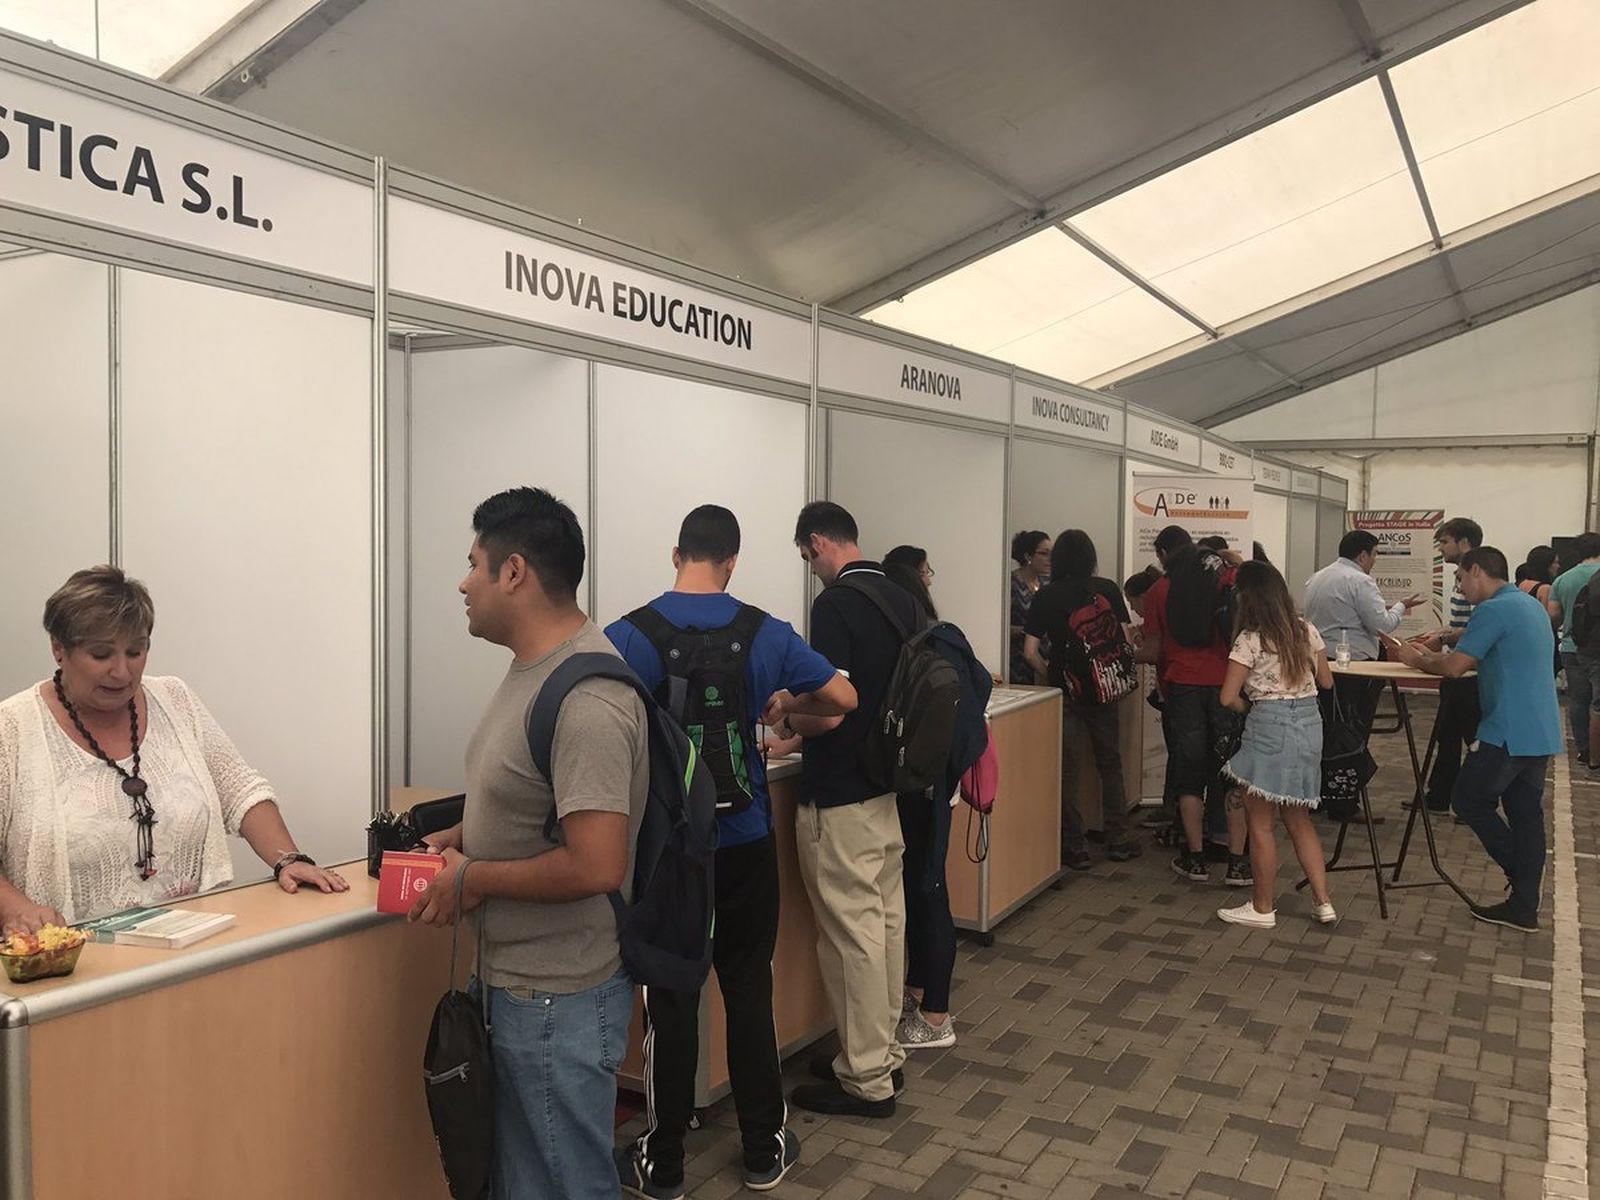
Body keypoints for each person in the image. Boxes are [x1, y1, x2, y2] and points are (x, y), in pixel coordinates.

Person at [605, 505, 855, 1197]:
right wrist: (781, 709)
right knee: (748, 988)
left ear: (675, 552)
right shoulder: (766, 632)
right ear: (733, 561)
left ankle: (664, 1162)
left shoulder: (629, 633)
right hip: (745, 839)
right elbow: (842, 696)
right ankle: (762, 1146)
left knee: (670, 997)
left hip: (671, 851)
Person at [409, 486, 649, 1200]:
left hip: (558, 1000)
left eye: (474, 563)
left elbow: (597, 861)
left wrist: (472, 877)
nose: (463, 582)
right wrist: (463, 836)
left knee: (563, 1185)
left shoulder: (589, 701)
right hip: (522, 989)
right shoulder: (532, 671)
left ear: (514, 572)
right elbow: (537, 806)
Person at [0, 565, 348, 932]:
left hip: (192, 949)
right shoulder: (12, 729)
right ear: (59, 648)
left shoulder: (174, 699)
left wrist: (288, 859)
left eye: (135, 652)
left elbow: (239, 788)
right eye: (101, 655)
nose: (121, 672)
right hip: (70, 964)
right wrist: (15, 909)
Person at [787, 501, 919, 1118]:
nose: (809, 569)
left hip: (838, 793)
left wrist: (788, 713)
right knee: (885, 923)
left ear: (818, 543)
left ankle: (864, 1077)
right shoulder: (900, 594)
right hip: (885, 788)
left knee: (851, 935)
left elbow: (834, 709)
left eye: (805, 556)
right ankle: (880, 1053)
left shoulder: (835, 603)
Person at [1399, 547, 1562, 931]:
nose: (1460, 587)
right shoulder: (1526, 604)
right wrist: (1449, 636)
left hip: (1506, 728)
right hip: (1538, 728)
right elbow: (1484, 642)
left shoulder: (1492, 610)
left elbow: (1455, 667)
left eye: (1460, 578)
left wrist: (1415, 659)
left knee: (1468, 798)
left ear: (1476, 571)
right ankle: (1523, 906)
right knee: (1526, 815)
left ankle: (1521, 875)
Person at [881, 561, 990, 1053]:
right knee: (924, 885)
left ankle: (936, 1016)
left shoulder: (917, 646)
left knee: (928, 890)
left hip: (919, 784)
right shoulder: (945, 636)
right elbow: (981, 688)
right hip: (936, 780)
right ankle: (921, 991)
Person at [1214, 561, 1337, 929]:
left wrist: (1249, 705)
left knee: (1261, 821)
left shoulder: (1249, 639)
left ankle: (1263, 907)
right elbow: (1327, 682)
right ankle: (1323, 901)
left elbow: (1226, 698)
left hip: (1268, 726)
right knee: (1299, 819)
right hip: (1310, 725)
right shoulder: (1305, 630)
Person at [1134, 527, 1250, 886]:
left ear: (1167, 556)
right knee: (1228, 769)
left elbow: (1153, 650)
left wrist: (1127, 650)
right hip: (1225, 684)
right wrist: (1235, 560)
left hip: (1182, 687)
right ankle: (1235, 862)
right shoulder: (1225, 578)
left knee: (1190, 770)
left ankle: (1195, 859)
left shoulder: (1158, 591)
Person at [1023, 530, 1140, 867]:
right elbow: (1127, 640)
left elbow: (1030, 652)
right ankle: (1118, 839)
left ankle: (1075, 847)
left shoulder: (1046, 596)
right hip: (1104, 689)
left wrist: (1052, 674)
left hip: (1066, 690)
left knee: (1068, 769)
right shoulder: (1105, 589)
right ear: (1091, 558)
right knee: (1110, 762)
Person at [1303, 529, 1426, 738]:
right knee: (1355, 726)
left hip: (1320, 661)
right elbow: (1382, 625)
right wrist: (1401, 606)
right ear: (1363, 555)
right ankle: (1353, 766)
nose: (1375, 560)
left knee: (1328, 723)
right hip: (1354, 665)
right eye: (1375, 554)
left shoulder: (1316, 577)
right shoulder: (1361, 581)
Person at [1420, 518, 1484, 812]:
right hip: (1456, 666)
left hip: (1469, 671)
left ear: (1464, 543)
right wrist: (1445, 635)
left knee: (1472, 738)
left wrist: (1447, 636)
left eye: (1444, 542)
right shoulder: (1460, 577)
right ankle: (1439, 796)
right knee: (1447, 735)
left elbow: (1479, 625)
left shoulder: (1476, 576)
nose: (1441, 549)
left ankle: (1471, 801)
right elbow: (1464, 623)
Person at [1544, 532, 1600, 766]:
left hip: (1570, 646)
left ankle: (1584, 749)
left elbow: (1553, 616)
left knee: (1578, 700)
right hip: (1596, 647)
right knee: (1597, 702)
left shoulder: (1563, 579)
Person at [1009, 531, 1052, 683]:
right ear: (1028, 556)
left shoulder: (1047, 584)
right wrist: (1026, 631)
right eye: (1044, 553)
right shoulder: (1010, 584)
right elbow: (999, 629)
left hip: (1046, 659)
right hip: (1019, 663)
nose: (1050, 559)